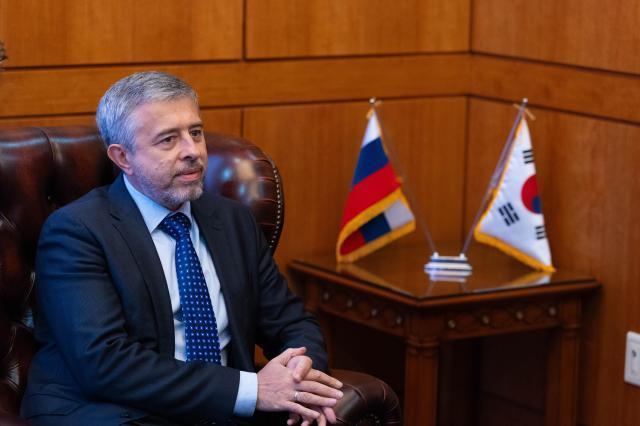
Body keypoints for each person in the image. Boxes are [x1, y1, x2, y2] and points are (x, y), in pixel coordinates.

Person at [21, 71, 343, 425]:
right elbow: (105, 361)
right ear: (122, 157)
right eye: (168, 140)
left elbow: (291, 321)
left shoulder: (232, 220)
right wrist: (252, 390)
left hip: (223, 407)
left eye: (196, 132)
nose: (192, 152)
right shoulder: (77, 232)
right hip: (114, 410)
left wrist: (300, 377)